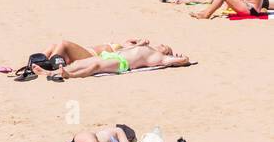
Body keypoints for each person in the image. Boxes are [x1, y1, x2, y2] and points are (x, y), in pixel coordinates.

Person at [35, 43, 189, 80]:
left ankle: (69, 75)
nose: (161, 45)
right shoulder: (146, 48)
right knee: (79, 64)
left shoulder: (157, 57)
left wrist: (182, 59)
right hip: (112, 56)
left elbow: (176, 61)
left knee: (95, 66)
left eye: (164, 47)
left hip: (122, 63)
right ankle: (50, 72)